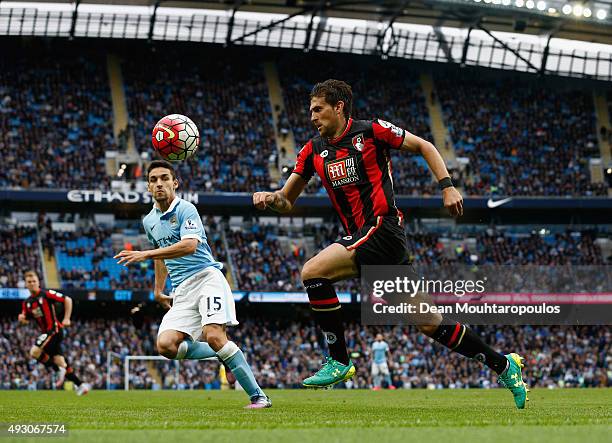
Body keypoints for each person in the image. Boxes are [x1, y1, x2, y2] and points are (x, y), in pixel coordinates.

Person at [253, 79, 528, 408]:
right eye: (310, 111)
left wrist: (447, 186)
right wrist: (271, 198)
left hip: (382, 228)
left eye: (318, 109)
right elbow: (287, 201)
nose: (312, 116)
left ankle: (338, 360)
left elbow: (425, 146)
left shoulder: (371, 132)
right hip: (368, 239)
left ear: (339, 107)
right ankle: (504, 365)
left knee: (313, 271)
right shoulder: (312, 150)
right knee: (428, 322)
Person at [114, 160, 270, 409]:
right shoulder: (149, 221)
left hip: (207, 278)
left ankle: (258, 396)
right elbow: (162, 254)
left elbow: (190, 245)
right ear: (147, 187)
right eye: (153, 180)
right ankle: (224, 353)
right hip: (182, 290)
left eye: (164, 178)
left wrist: (144, 254)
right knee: (165, 345)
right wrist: (157, 290)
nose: (159, 184)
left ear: (175, 183)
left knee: (215, 335)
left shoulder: (186, 209)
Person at [18, 270, 90, 395]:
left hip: (54, 330)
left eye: (34, 281)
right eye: (29, 282)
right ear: (26, 284)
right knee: (61, 362)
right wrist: (22, 320)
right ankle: (81, 385)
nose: (32, 283)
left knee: (34, 352)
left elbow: (67, 299)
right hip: (47, 334)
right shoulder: (27, 303)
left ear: (38, 282)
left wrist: (67, 318)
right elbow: (26, 319)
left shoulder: (46, 294)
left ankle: (57, 370)